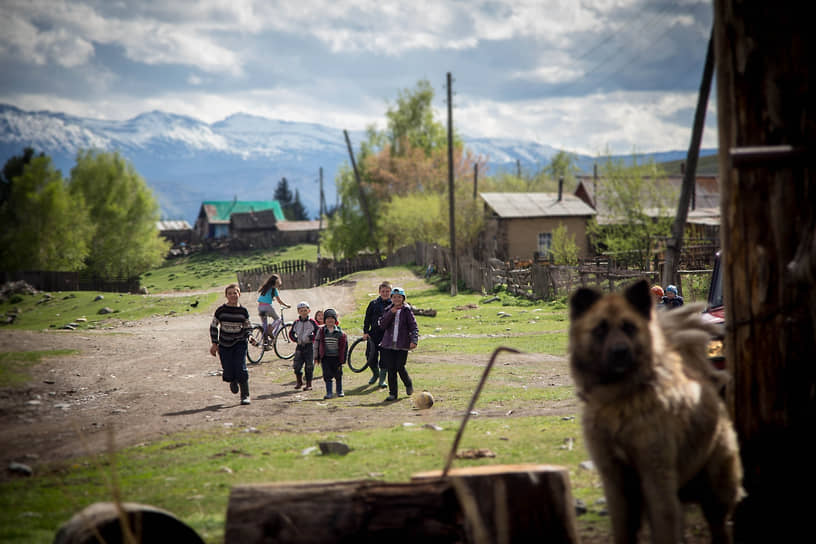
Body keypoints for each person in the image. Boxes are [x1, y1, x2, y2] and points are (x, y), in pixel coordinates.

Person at [209, 283, 253, 405]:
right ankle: (232, 379)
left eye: (235, 293)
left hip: (240, 342)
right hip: (224, 344)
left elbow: (248, 326)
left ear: (239, 294)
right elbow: (213, 326)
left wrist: (250, 336)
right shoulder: (221, 311)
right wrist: (214, 343)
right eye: (230, 293)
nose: (233, 295)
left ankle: (245, 395)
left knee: (241, 367)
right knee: (228, 370)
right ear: (226, 296)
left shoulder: (243, 311)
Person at [378, 287, 418, 402]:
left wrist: (414, 340)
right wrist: (391, 313)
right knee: (391, 369)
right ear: (391, 298)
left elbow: (413, 327)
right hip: (388, 345)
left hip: (402, 344)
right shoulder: (388, 309)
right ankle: (393, 394)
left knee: (400, 367)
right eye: (394, 297)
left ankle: (408, 384)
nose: (396, 299)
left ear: (403, 298)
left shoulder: (407, 310)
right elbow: (382, 325)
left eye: (399, 297)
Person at [362, 281, 392, 388]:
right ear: (379, 292)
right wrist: (365, 332)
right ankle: (375, 374)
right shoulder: (373, 304)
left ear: (390, 292)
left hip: (386, 335)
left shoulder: (393, 305)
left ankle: (382, 379)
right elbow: (367, 319)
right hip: (373, 335)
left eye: (387, 291)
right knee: (370, 356)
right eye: (383, 291)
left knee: (385, 357)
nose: (385, 293)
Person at [314, 308, 347, 399]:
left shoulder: (341, 333)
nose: (330, 320)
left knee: (338, 374)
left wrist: (343, 359)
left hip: (336, 358)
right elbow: (316, 344)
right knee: (327, 375)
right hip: (326, 357)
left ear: (335, 320)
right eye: (327, 319)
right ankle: (329, 392)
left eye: (332, 318)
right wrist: (316, 356)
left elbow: (344, 348)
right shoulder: (321, 331)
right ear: (324, 320)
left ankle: (339, 391)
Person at [289, 301, 319, 391]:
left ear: (309, 311)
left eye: (305, 310)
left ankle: (309, 384)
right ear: (298, 312)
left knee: (309, 365)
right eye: (301, 311)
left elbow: (318, 332)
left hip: (309, 346)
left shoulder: (312, 322)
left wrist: (312, 338)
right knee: (297, 365)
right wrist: (295, 339)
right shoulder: (296, 322)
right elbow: (291, 333)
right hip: (299, 346)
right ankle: (299, 381)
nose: (303, 312)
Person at [257, 274, 291, 346]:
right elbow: (279, 301)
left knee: (264, 325)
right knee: (278, 319)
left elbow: (265, 296)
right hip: (267, 307)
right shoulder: (274, 289)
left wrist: (271, 298)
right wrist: (286, 305)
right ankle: (271, 330)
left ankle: (266, 343)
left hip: (260, 307)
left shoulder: (265, 287)